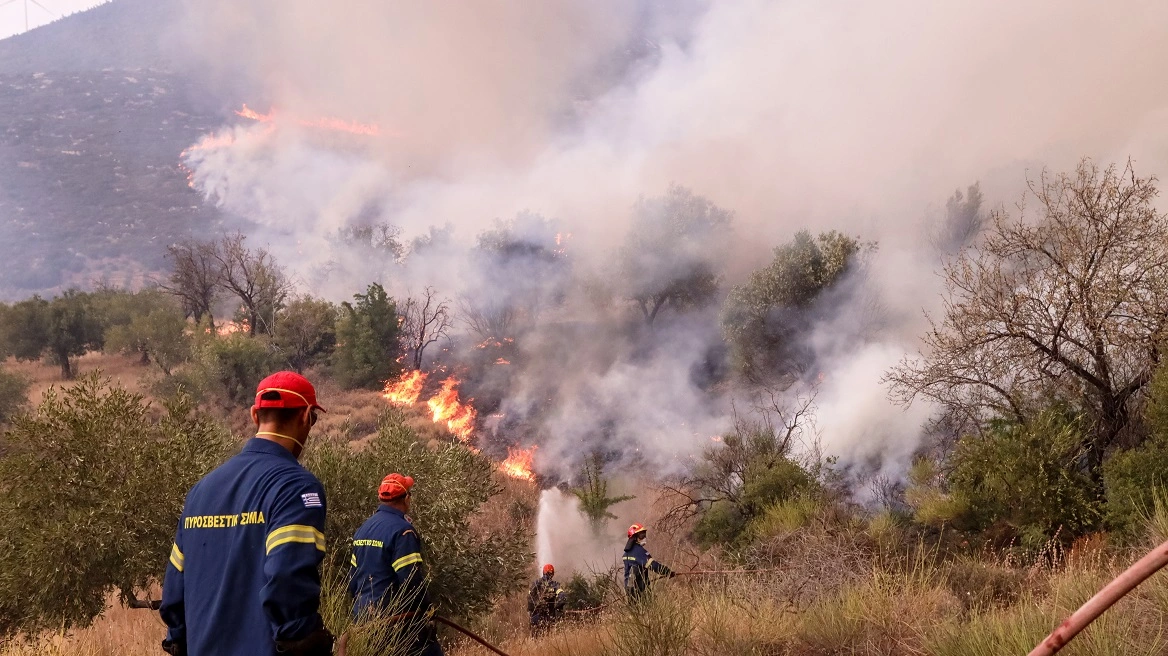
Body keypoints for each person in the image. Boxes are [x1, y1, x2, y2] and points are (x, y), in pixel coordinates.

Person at [159, 371, 331, 656]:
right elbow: (287, 579)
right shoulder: (296, 487)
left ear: (254, 415)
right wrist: (305, 643)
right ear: (305, 416)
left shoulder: (201, 490)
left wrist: (179, 639)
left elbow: (174, 590)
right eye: (313, 419)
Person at [348, 473, 444, 656]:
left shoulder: (363, 529)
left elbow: (353, 579)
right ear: (406, 499)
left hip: (363, 618)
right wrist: (427, 609)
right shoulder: (403, 532)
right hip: (395, 621)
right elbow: (410, 580)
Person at [622, 523, 675, 602]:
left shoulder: (626, 554)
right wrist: (667, 572)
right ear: (634, 537)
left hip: (629, 591)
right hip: (640, 590)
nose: (644, 537)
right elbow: (653, 565)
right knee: (650, 607)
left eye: (644, 534)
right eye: (641, 535)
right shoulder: (639, 552)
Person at [527, 564, 566, 635]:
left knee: (535, 637)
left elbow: (529, 597)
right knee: (548, 636)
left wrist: (532, 609)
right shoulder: (555, 585)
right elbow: (562, 596)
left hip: (535, 616)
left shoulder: (536, 583)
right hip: (550, 616)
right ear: (552, 574)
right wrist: (557, 607)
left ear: (543, 572)